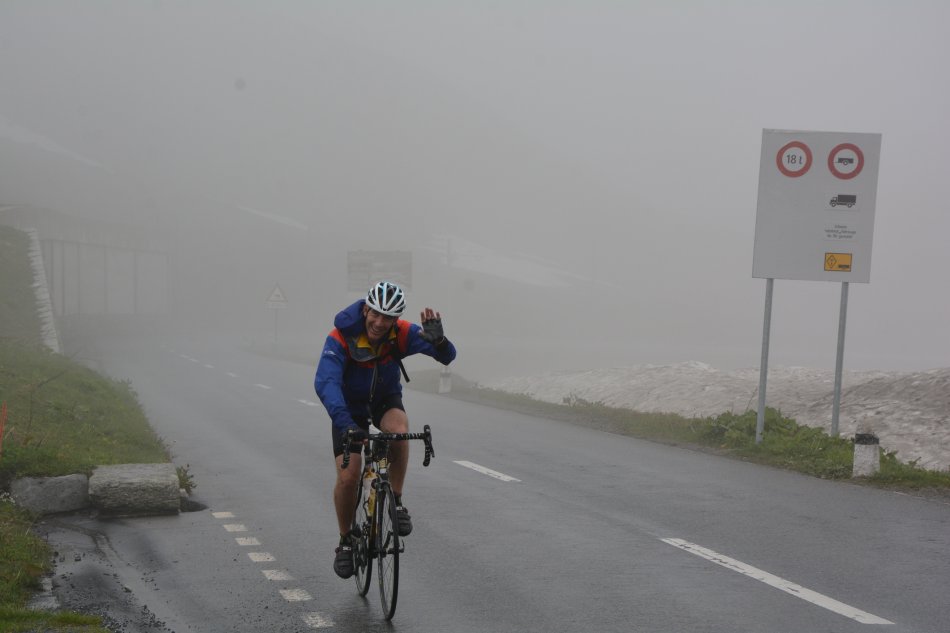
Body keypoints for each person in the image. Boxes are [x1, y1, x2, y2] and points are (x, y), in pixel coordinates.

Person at [314, 280, 457, 579]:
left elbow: (447, 357)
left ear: (396, 318)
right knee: (349, 476)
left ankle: (397, 501)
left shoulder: (401, 333)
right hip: (348, 409)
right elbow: (326, 383)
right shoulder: (341, 336)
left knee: (399, 431)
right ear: (366, 310)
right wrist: (346, 423)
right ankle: (345, 541)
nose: (380, 323)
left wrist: (440, 342)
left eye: (388, 317)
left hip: (384, 399)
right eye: (376, 314)